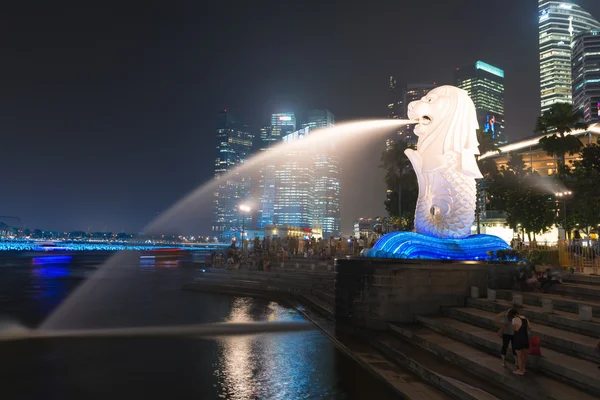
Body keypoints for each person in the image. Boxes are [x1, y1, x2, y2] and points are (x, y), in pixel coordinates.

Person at [508, 308, 532, 375]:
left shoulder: (514, 319)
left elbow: (516, 329)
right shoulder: (524, 318)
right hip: (525, 338)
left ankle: (520, 370)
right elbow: (530, 326)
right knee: (524, 355)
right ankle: (524, 368)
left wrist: (513, 326)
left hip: (518, 339)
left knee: (519, 356)